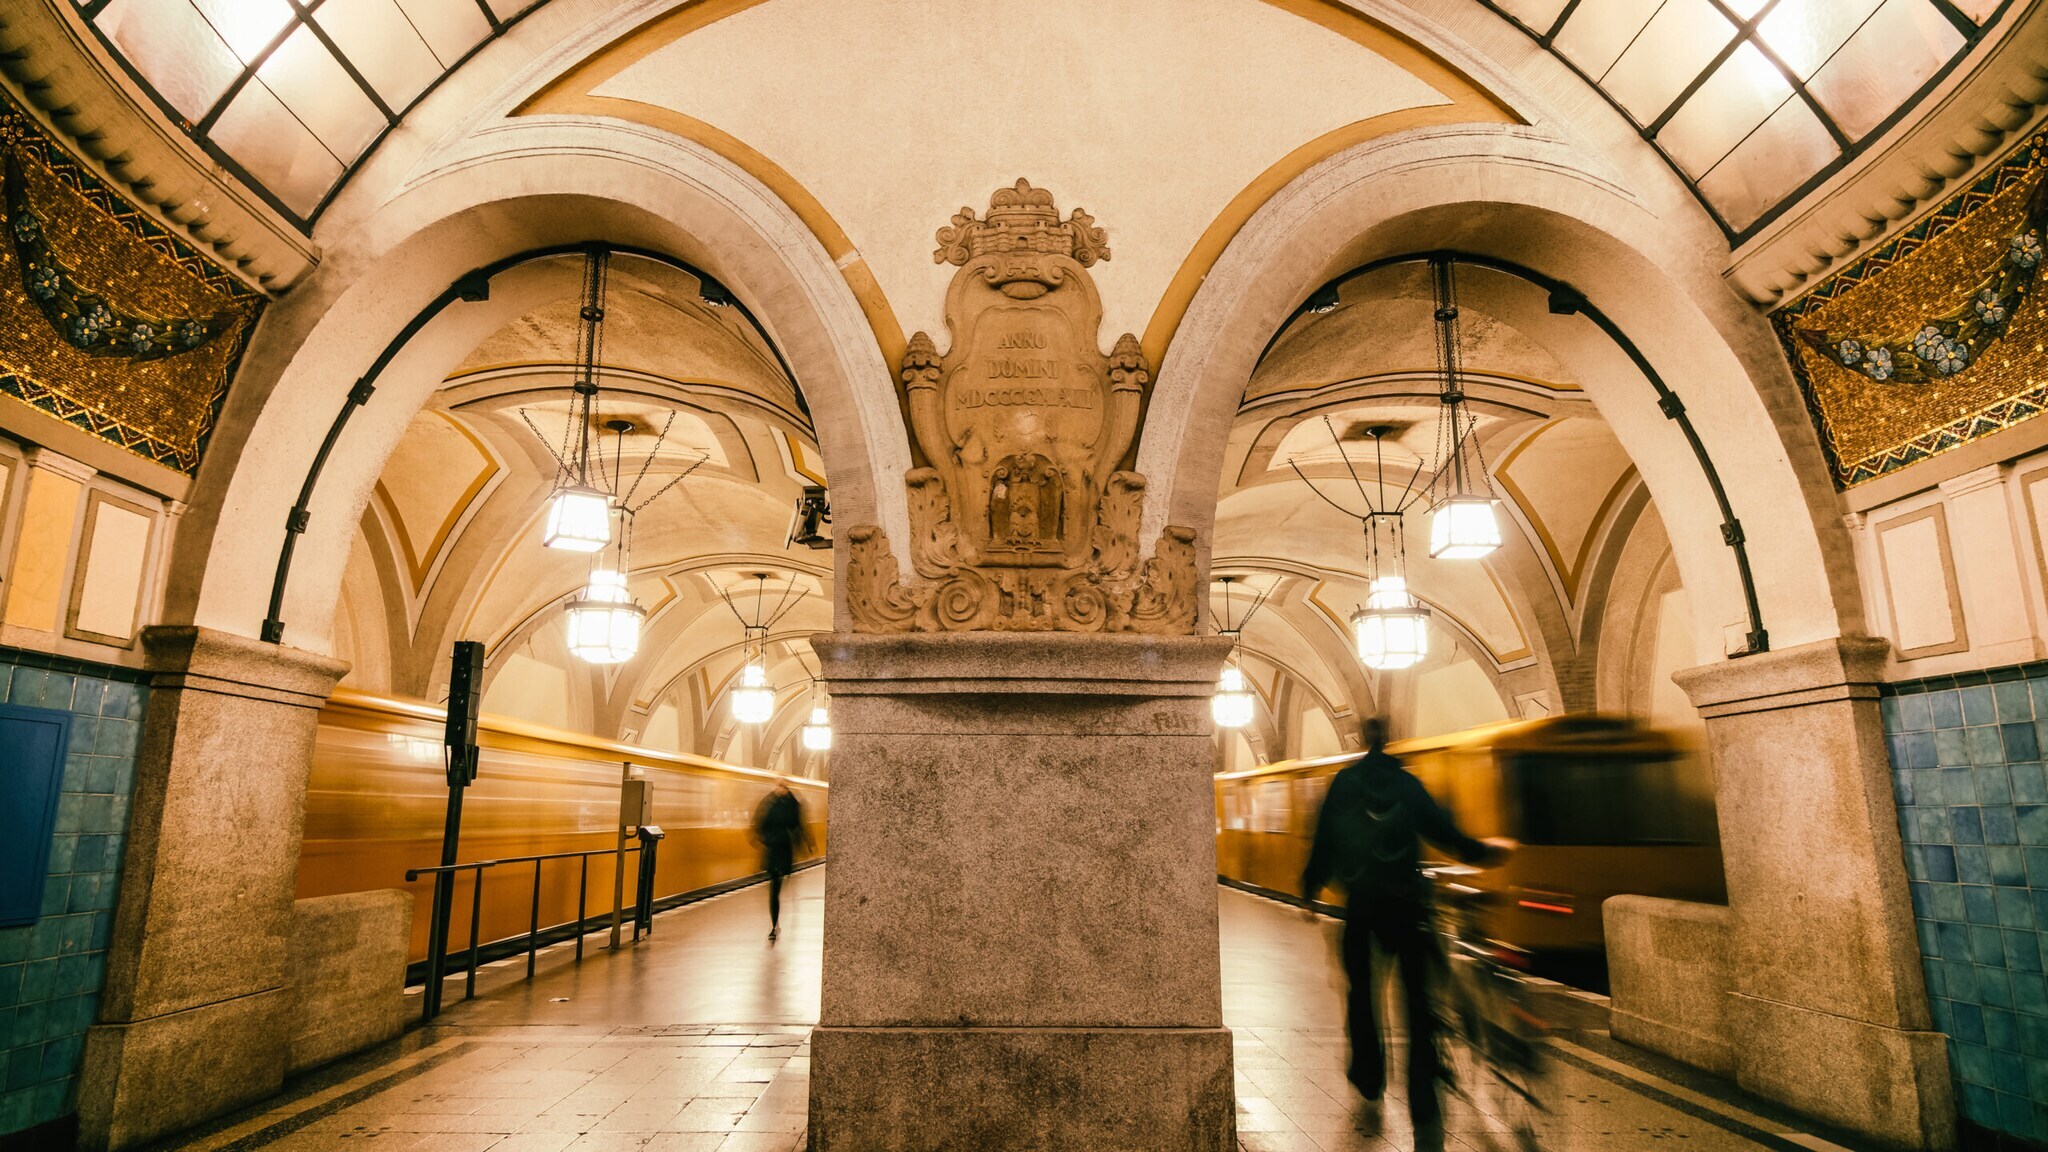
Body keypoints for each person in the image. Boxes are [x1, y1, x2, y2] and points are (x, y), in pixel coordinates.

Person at [1300, 717, 1513, 1128]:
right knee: (1418, 1000)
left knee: (1362, 993)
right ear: (1390, 740)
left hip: (1362, 907)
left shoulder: (1344, 784)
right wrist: (1484, 853)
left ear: (1362, 740)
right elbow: (1443, 833)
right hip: (1407, 906)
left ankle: (1368, 1074)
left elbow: (1324, 838)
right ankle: (1422, 1087)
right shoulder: (1406, 784)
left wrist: (1311, 888)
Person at [752, 780, 809, 941]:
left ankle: (774, 925)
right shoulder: (769, 802)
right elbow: (759, 824)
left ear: (786, 788)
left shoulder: (792, 804)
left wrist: (803, 844)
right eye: (778, 786)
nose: (779, 789)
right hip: (773, 851)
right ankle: (774, 925)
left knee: (777, 888)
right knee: (774, 890)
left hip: (783, 851)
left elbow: (797, 825)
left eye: (782, 786)